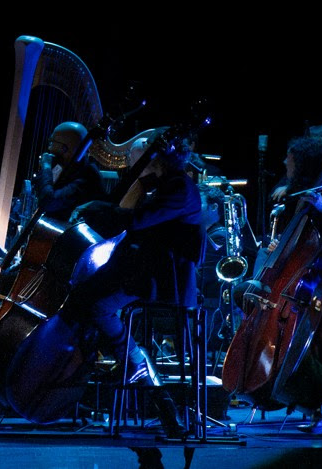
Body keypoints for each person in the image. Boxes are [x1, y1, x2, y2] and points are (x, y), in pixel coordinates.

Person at [55, 133, 206, 437]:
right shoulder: (161, 184)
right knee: (81, 295)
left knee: (93, 303)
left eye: (136, 156)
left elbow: (137, 221)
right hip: (140, 270)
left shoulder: (178, 187)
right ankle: (117, 363)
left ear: (155, 158)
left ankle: (133, 360)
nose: (130, 163)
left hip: (160, 280)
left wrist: (98, 208)